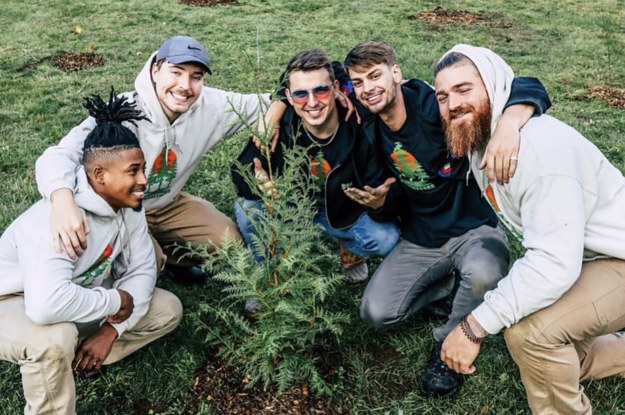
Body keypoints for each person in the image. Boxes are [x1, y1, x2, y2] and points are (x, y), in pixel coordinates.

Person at [341, 40, 551, 397]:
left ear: (396, 73)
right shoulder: (369, 131)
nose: (367, 88)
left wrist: (509, 124)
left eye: (375, 76)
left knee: (485, 274)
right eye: (358, 83)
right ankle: (451, 288)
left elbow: (528, 85)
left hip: (474, 227)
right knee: (376, 313)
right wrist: (378, 203)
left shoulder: (435, 104)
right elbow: (392, 201)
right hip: (421, 237)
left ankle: (447, 346)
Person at [434, 44, 625, 414]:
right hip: (592, 255)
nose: (452, 103)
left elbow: (553, 263)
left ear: (494, 88)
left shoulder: (536, 152)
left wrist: (471, 327)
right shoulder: (481, 139)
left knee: (532, 334)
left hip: (616, 257)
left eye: (464, 89)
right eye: (442, 96)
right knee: (549, 351)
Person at [35, 35, 276, 283]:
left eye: (196, 76)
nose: (185, 85)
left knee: (228, 242)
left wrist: (276, 108)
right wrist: (63, 201)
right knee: (149, 263)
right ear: (155, 69)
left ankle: (173, 257)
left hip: (167, 204)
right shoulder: (121, 113)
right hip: (121, 211)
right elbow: (57, 156)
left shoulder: (209, 105)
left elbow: (272, 99)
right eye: (176, 72)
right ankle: (153, 258)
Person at [0, 90, 183, 415]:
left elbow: (141, 270)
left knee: (165, 307)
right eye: (133, 171)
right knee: (54, 336)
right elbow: (44, 306)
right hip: (11, 301)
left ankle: (77, 359)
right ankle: (52, 380)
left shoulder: (129, 206)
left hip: (72, 292)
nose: (144, 180)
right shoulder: (54, 222)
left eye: (142, 169)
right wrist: (116, 301)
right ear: (99, 175)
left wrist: (112, 329)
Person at [232, 49, 400, 283]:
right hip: (294, 209)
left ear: (335, 89)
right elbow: (241, 171)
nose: (312, 102)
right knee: (247, 207)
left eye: (321, 90)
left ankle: (351, 248)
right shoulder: (278, 125)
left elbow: (388, 190)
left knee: (385, 237)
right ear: (288, 97)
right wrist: (257, 182)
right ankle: (270, 273)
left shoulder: (360, 121)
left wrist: (380, 203)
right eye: (301, 94)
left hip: (344, 211)